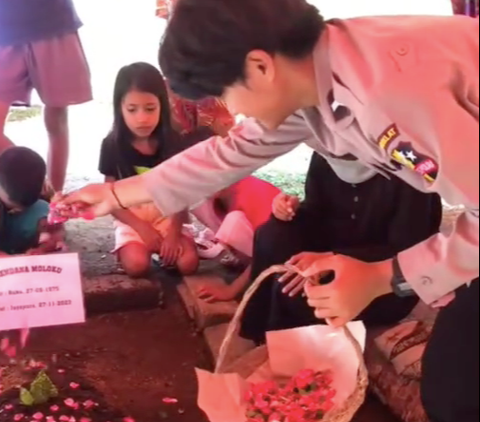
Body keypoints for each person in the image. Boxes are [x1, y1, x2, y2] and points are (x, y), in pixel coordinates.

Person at [55, 2, 478, 421]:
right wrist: (118, 194)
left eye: (224, 92)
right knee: (451, 388)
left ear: (259, 66)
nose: (233, 110)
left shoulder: (390, 97)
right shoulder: (314, 76)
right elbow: (231, 152)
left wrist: (385, 275)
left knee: (454, 395)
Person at [240, 153, 443, 344]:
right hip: (329, 249)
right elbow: (316, 211)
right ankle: (258, 330)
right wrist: (288, 211)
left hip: (381, 279)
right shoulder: (327, 153)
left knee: (303, 292)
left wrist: (332, 259)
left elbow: (409, 251)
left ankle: (294, 351)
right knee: (273, 234)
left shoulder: (409, 171)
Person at [98, 62, 199, 277]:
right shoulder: (111, 145)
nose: (142, 118)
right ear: (119, 108)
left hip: (169, 215)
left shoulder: (173, 141)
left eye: (150, 108)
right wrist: (142, 228)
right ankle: (133, 249)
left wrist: (173, 233)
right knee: (137, 266)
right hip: (132, 217)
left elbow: (182, 194)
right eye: (132, 110)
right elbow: (110, 200)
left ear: (162, 105)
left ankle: (167, 249)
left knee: (188, 264)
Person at [0, 0, 92, 192]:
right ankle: (34, 185)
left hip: (53, 22)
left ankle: (55, 203)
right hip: (5, 28)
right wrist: (32, 177)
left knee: (56, 120)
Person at [194, 176, 280, 302]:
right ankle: (247, 268)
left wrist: (231, 290)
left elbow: (270, 250)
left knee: (233, 222)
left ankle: (257, 277)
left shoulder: (253, 192)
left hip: (282, 258)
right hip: (265, 249)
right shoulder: (227, 192)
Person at [0, 147, 64, 257]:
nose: (17, 210)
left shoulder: (43, 193)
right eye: (13, 205)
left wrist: (47, 243)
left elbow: (57, 230)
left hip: (17, 240)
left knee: (44, 210)